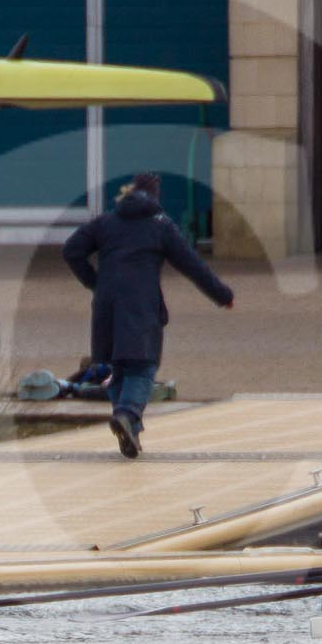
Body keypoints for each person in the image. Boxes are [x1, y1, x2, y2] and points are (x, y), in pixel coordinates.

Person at [61, 172, 233, 459]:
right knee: (142, 368)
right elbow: (192, 265)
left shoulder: (106, 222)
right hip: (141, 307)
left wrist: (95, 282)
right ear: (155, 197)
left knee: (118, 369)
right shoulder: (161, 226)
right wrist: (222, 295)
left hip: (107, 306)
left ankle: (130, 429)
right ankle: (127, 415)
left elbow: (71, 250)